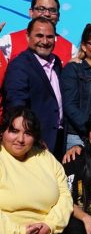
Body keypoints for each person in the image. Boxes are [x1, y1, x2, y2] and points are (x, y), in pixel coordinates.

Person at [0, 107, 72, 234]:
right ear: (3, 131)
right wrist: (20, 231)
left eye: (28, 133)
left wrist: (50, 225)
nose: (20, 139)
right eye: (14, 131)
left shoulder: (45, 158)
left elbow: (65, 195)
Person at [3, 17, 65, 158]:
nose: (44, 41)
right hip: (36, 143)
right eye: (39, 36)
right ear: (27, 37)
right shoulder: (19, 66)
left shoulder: (56, 63)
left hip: (58, 140)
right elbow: (16, 106)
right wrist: (33, 137)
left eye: (50, 37)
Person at [0, 0, 77, 66]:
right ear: (31, 12)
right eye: (41, 9)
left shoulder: (71, 50)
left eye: (52, 10)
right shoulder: (9, 41)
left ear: (58, 16)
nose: (47, 14)